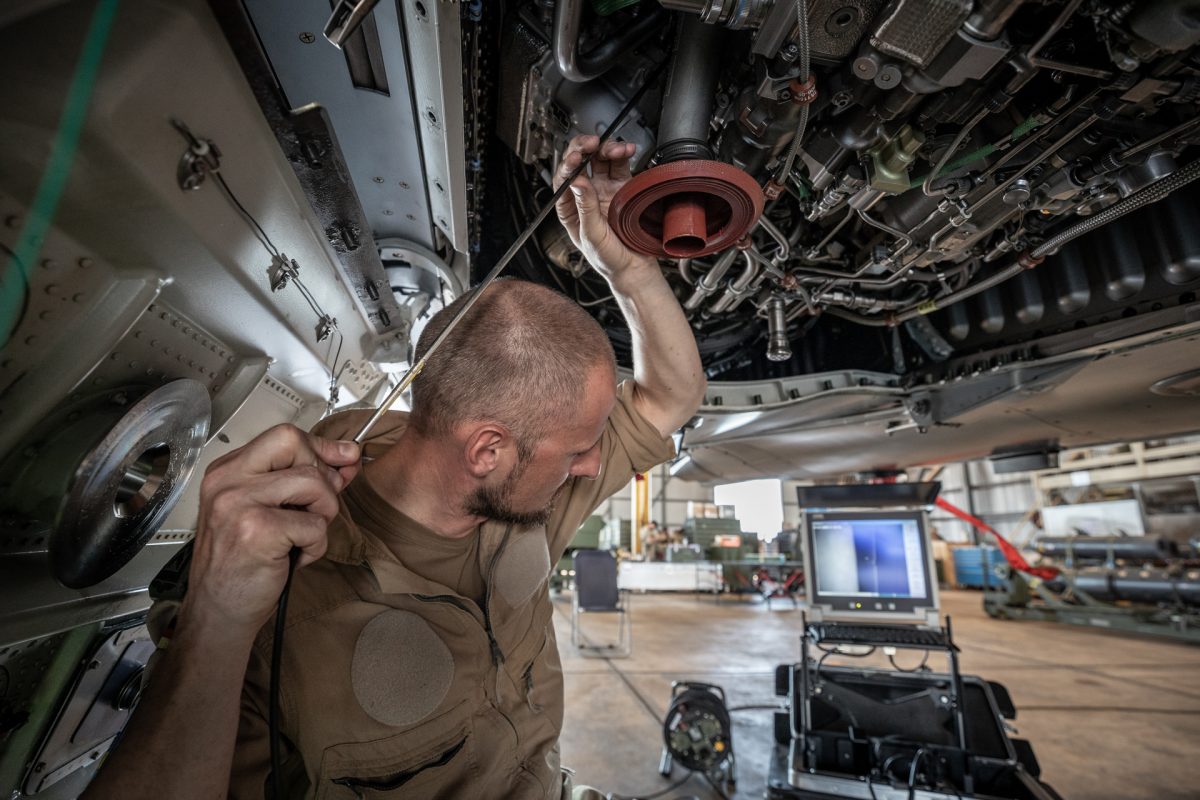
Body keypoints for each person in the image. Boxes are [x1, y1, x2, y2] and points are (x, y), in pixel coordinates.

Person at [83, 134, 706, 799]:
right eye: (577, 449)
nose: (591, 466)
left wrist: (628, 270)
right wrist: (216, 620)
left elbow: (671, 396)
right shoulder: (279, 604)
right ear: (487, 452)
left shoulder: (523, 495)